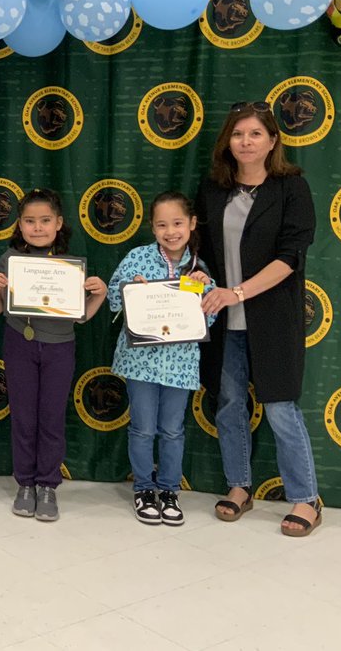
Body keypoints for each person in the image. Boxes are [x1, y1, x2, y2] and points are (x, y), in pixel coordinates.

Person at [196, 101, 321, 537]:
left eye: (254, 134)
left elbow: (291, 258)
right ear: (226, 142)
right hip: (222, 321)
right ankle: (239, 486)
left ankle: (306, 498)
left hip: (272, 318)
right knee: (229, 405)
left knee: (281, 406)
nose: (245, 142)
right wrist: (201, 277)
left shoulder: (292, 188)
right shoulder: (213, 190)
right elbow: (203, 253)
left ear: (272, 141)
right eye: (237, 134)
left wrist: (239, 292)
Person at [0, 189, 107, 522]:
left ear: (59, 223)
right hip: (18, 343)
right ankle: (25, 484)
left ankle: (47, 485)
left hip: (59, 347)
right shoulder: (9, 259)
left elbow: (81, 316)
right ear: (19, 225)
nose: (37, 228)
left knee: (50, 419)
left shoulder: (69, 262)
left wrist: (100, 294)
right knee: (24, 417)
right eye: (30, 221)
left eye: (45, 221)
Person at [106, 192, 215, 527]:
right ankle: (143, 489)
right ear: (152, 228)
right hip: (140, 362)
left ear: (192, 224)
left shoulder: (198, 268)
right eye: (162, 225)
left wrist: (205, 289)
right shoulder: (138, 257)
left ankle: (169, 491)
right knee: (142, 429)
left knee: (172, 431)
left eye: (178, 223)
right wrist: (131, 290)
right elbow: (112, 298)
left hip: (179, 365)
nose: (171, 231)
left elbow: (208, 319)